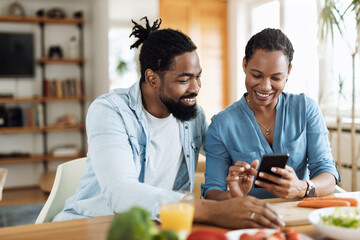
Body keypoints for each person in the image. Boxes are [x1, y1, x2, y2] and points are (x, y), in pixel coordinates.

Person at [53, 17, 284, 229]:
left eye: (198, 76)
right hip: (92, 226)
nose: (195, 88)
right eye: (184, 80)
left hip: (155, 228)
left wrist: (242, 179)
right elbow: (121, 192)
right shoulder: (110, 111)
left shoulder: (191, 115)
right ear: (152, 78)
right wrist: (213, 210)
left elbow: (226, 146)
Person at [202, 28, 340, 201]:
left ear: (288, 71)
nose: (265, 87)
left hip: (298, 212)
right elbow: (211, 191)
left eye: (276, 78)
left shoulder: (305, 109)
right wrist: (234, 196)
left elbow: (327, 172)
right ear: (244, 65)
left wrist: (302, 187)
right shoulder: (222, 124)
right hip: (249, 217)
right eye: (256, 75)